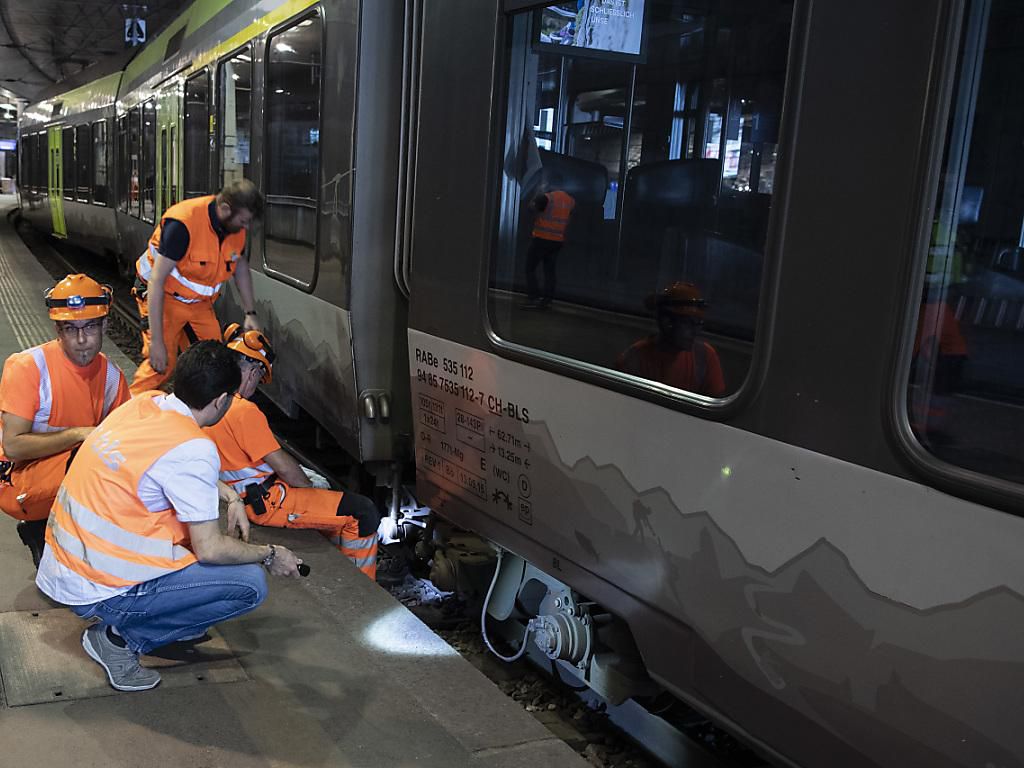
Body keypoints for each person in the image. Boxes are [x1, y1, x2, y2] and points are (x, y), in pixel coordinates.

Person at [36, 341, 303, 692]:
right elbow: (210, 549)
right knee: (249, 584)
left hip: (64, 564)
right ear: (222, 400)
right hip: (97, 588)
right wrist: (272, 554)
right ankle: (120, 639)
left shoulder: (145, 404)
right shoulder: (194, 447)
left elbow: (164, 466)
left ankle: (155, 617)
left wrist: (228, 493)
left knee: (193, 548)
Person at [204, 324, 380, 580]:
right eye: (258, 381)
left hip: (239, 492)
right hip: (266, 502)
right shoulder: (243, 411)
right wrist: (311, 490)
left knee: (331, 499)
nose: (255, 389)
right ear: (253, 372)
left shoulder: (210, 399)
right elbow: (288, 471)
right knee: (362, 512)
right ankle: (364, 583)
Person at [0, 274, 130, 566]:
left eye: (90, 327)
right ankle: (42, 527)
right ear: (58, 330)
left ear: (105, 325)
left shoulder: (112, 377)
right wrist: (78, 434)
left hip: (69, 474)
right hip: (17, 481)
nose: (82, 340)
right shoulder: (28, 367)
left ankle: (73, 537)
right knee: (88, 455)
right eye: (71, 329)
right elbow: (13, 447)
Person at [130, 179, 264, 396]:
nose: (246, 228)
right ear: (225, 209)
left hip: (199, 305)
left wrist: (250, 312)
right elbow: (157, 281)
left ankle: (202, 415)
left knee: (215, 363)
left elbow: (240, 268)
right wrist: (156, 341)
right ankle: (126, 417)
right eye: (244, 221)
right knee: (161, 365)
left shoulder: (234, 227)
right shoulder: (183, 224)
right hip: (164, 297)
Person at [617, 281, 726, 397]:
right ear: (666, 322)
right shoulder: (633, 359)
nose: (695, 331)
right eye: (688, 323)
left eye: (698, 323)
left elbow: (714, 405)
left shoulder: (705, 357)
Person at [522, 177, 575, 310]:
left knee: (530, 268)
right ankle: (547, 300)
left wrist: (538, 192)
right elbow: (569, 219)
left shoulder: (546, 198)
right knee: (549, 271)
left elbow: (531, 209)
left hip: (541, 239)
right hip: (557, 241)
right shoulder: (570, 200)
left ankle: (533, 298)